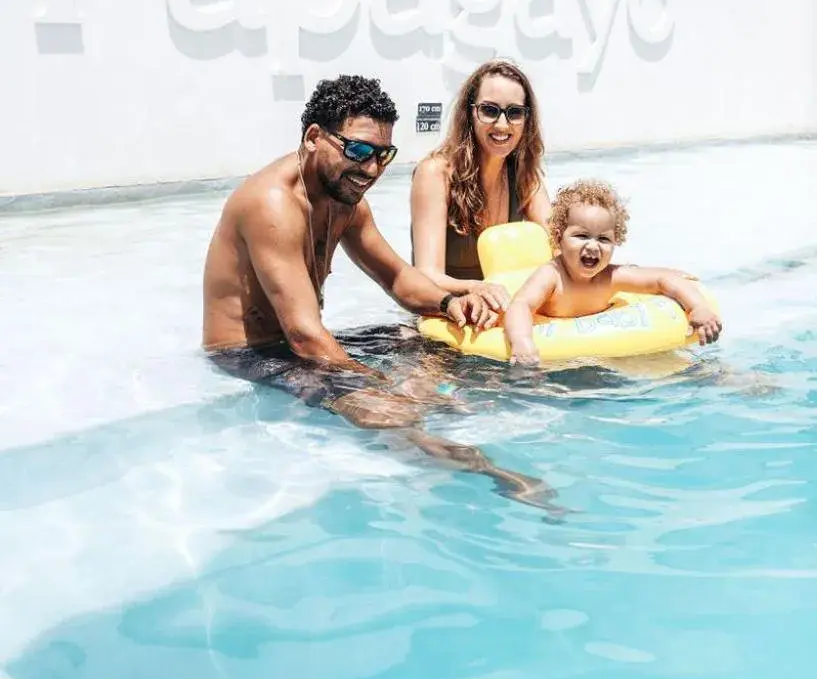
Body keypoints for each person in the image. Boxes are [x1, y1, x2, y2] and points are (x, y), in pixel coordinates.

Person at [203, 74, 555, 508]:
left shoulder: (345, 199)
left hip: (296, 340)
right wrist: (380, 385)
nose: (371, 169)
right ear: (314, 137)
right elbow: (304, 336)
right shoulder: (273, 203)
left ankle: (447, 402)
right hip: (249, 351)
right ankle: (490, 475)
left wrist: (450, 302)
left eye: (382, 155)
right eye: (357, 150)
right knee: (384, 411)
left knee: (423, 337)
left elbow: (398, 279)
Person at [503, 178, 723, 367]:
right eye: (581, 236)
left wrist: (698, 308)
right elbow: (521, 304)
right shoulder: (551, 276)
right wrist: (522, 340)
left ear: (616, 242)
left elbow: (663, 279)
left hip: (605, 357)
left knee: (689, 368)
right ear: (559, 237)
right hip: (554, 359)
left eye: (603, 239)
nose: (592, 246)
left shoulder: (610, 277)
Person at [410, 60, 551, 323]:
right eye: (489, 110)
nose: (501, 124)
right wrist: (475, 287)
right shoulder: (435, 174)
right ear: (469, 113)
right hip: (445, 319)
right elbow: (425, 275)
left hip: (496, 317)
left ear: (526, 119)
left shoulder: (524, 175)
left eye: (515, 113)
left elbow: (559, 244)